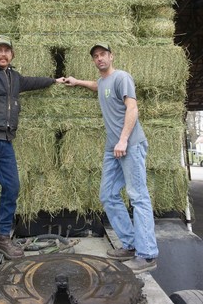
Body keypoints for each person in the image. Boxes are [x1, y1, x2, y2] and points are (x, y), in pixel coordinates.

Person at [0, 34, 65, 269]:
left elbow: (32, 82)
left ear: (12, 54)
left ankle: (3, 237)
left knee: (12, 186)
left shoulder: (14, 78)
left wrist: (54, 81)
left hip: (5, 141)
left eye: (7, 50)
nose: (3, 54)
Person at [64, 43, 158, 274]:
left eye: (103, 54)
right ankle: (130, 243)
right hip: (112, 148)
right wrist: (77, 82)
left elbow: (132, 109)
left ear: (111, 56)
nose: (99, 59)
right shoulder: (105, 81)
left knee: (138, 197)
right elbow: (99, 86)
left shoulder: (122, 77)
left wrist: (123, 140)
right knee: (107, 195)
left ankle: (147, 255)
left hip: (130, 144)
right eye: (95, 56)